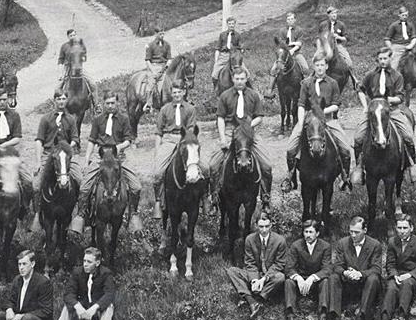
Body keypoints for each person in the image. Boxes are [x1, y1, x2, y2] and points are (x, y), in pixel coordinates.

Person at [284, 54, 353, 192]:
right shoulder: (306, 83)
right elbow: (301, 104)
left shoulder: (333, 83)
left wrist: (322, 111)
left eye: (322, 65)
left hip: (328, 119)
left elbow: (336, 105)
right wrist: (301, 122)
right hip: (309, 121)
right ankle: (291, 178)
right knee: (291, 148)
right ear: (314, 66)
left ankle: (345, 178)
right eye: (317, 65)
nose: (320, 68)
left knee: (345, 148)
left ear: (326, 66)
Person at [209, 68, 273, 213]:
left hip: (249, 132)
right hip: (230, 130)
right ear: (233, 79)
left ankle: (265, 198)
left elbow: (259, 116)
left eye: (242, 79)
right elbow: (220, 118)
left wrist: (247, 126)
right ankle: (214, 199)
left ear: (246, 79)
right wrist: (223, 138)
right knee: (213, 165)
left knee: (267, 165)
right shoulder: (225, 96)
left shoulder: (253, 95)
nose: (239, 82)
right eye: (237, 79)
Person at [76, 90, 141, 231]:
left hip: (119, 157)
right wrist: (87, 158)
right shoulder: (98, 119)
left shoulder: (124, 119)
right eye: (107, 103)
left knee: (136, 186)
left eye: (113, 103)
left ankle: (133, 215)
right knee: (84, 186)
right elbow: (92, 140)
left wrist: (119, 147)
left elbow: (129, 140)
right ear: (104, 104)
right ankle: (82, 215)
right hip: (101, 156)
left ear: (117, 103)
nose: (110, 106)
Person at [353, 47, 416, 182]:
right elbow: (360, 89)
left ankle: (411, 166)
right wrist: (366, 106)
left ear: (390, 58)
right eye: (380, 59)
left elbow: (400, 96)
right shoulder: (370, 75)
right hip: (374, 111)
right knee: (358, 137)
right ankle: (359, 167)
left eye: (385, 58)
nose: (382, 61)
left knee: (408, 136)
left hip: (391, 110)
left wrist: (388, 101)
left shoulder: (397, 76)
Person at [31, 90, 81, 229]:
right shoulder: (46, 118)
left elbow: (75, 139)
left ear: (67, 101)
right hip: (49, 154)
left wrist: (67, 148)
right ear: (54, 100)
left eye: (64, 99)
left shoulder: (71, 119)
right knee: (36, 184)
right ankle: (37, 213)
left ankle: (78, 213)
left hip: (66, 155)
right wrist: (37, 161)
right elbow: (39, 140)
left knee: (80, 179)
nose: (61, 102)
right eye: (58, 99)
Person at [150, 81, 200, 219]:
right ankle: (159, 201)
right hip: (169, 139)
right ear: (171, 94)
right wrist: (157, 150)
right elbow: (159, 132)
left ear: (184, 92)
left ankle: (206, 197)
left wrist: (186, 143)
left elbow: (191, 129)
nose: (177, 95)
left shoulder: (190, 109)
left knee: (206, 167)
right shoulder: (165, 109)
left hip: (185, 139)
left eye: (179, 92)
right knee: (158, 172)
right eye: (174, 92)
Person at [225, 212, 287, 320]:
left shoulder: (280, 241)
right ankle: (252, 302)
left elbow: (279, 264)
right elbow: (249, 262)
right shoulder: (250, 239)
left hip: (269, 275)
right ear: (256, 226)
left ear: (271, 225)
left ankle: (257, 298)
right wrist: (254, 280)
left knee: (281, 277)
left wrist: (263, 279)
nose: (264, 230)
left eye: (267, 226)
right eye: (261, 226)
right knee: (232, 271)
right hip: (256, 273)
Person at [329, 217, 383, 320]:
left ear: (365, 230)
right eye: (351, 231)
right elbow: (337, 265)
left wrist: (360, 274)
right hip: (347, 285)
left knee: (374, 278)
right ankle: (335, 318)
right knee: (334, 277)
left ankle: (362, 317)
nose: (353, 235)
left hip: (365, 284)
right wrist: (345, 273)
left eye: (356, 232)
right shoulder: (342, 243)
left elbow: (376, 268)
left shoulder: (375, 245)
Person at [380, 214, 416, 320]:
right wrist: (394, 275)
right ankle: (384, 319)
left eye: (405, 228)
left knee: (406, 284)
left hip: (413, 278)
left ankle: (402, 316)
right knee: (391, 287)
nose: (402, 231)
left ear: (411, 228)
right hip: (398, 275)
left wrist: (410, 275)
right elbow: (390, 264)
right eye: (399, 228)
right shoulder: (392, 242)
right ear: (396, 228)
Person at [284, 220, 332, 320]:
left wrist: (313, 277)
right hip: (300, 281)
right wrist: (298, 278)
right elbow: (288, 267)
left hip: (316, 281)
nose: (308, 235)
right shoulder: (296, 245)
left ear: (317, 233)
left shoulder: (325, 246)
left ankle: (323, 315)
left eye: (311, 232)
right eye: (306, 232)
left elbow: (327, 268)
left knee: (325, 281)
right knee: (288, 282)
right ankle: (290, 316)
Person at [0, 250, 53, 320]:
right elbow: (10, 300)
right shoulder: (17, 280)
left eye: (24, 264)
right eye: (19, 264)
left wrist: (22, 316)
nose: (21, 267)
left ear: (32, 264)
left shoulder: (43, 282)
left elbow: (46, 310)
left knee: (26, 319)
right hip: (19, 319)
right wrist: (9, 309)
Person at [58, 247, 116, 320]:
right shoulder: (77, 272)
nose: (85, 264)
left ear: (97, 263)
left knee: (109, 307)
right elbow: (69, 293)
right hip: (81, 305)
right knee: (67, 306)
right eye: (84, 261)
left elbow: (109, 294)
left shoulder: (106, 274)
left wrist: (95, 308)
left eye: (89, 262)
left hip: (97, 307)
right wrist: (77, 306)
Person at [143, 28, 172, 112]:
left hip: (164, 67)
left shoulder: (167, 45)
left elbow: (169, 58)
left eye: (163, 34)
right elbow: (147, 60)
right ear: (155, 34)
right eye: (160, 34)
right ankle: (149, 104)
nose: (162, 36)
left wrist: (167, 65)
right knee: (151, 83)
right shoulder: (150, 45)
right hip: (153, 67)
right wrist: (153, 71)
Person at [384, 6, 416, 71]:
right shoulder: (394, 25)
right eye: (403, 15)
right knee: (394, 63)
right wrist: (391, 48)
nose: (405, 17)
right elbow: (387, 39)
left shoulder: (411, 25)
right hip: (397, 46)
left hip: (408, 46)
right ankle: (392, 75)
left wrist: (411, 45)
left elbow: (414, 37)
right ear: (399, 15)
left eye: (406, 15)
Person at [211, 17, 242, 87]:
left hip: (234, 56)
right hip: (224, 56)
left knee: (246, 72)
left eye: (233, 24)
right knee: (214, 74)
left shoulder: (238, 35)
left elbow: (240, 47)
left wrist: (239, 52)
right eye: (229, 24)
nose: (231, 25)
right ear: (227, 25)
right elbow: (218, 48)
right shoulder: (222, 35)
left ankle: (248, 88)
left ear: (235, 24)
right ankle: (216, 89)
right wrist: (216, 61)